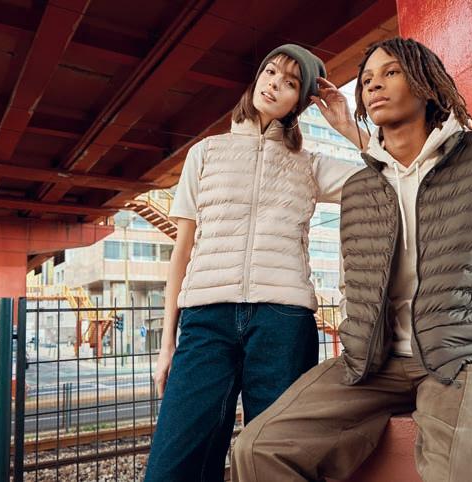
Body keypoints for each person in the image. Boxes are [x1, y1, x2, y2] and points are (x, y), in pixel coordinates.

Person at [231, 37, 472, 482]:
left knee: (467, 470)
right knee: (258, 448)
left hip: (466, 356)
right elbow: (353, 283)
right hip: (373, 364)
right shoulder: (360, 187)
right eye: (366, 79)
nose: (373, 85)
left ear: (426, 84)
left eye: (390, 73)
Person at [144, 44, 368, 482]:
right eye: (270, 72)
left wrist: (346, 126)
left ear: (299, 103)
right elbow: (182, 252)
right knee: (172, 466)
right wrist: (167, 342)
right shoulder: (205, 153)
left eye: (290, 83)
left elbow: (390, 170)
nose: (274, 84)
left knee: (275, 462)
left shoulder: (310, 165)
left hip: (282, 322)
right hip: (206, 319)